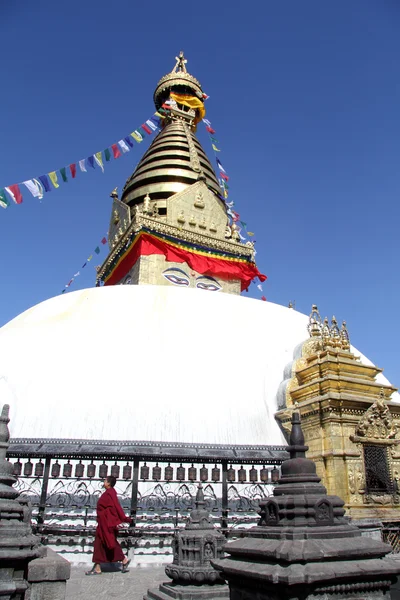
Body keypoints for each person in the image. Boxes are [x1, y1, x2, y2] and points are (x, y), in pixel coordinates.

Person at [86, 475, 131, 575]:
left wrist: (124, 518)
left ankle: (123, 560)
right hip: (102, 522)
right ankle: (98, 567)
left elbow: (116, 507)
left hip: (107, 523)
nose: (104, 482)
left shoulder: (111, 493)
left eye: (105, 481)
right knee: (100, 543)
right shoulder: (108, 493)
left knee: (109, 542)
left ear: (109, 483)